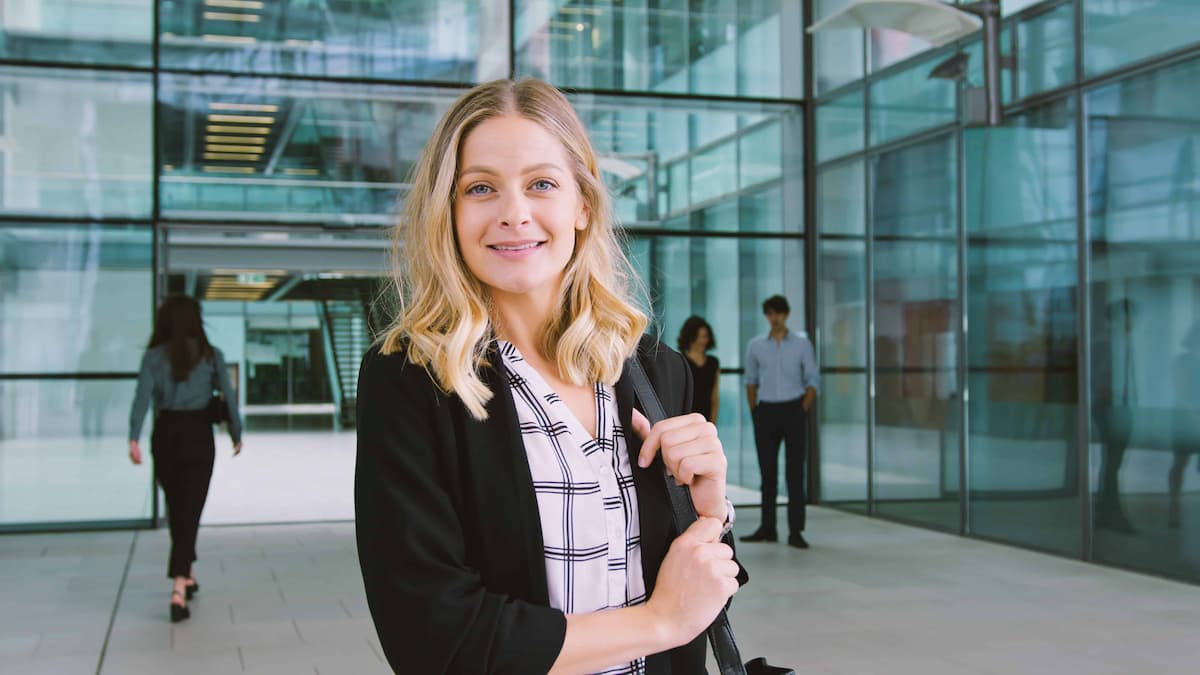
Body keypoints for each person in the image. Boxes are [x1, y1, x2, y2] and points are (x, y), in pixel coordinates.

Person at [354, 79, 744, 674]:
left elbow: (707, 588)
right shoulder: (413, 380)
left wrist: (710, 511)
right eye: (480, 188)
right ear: (449, 211)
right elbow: (434, 639)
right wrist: (657, 622)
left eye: (542, 184)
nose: (514, 214)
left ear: (582, 205)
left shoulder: (652, 369)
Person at [128, 295, 242, 623]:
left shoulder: (153, 358)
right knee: (190, 509)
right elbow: (229, 399)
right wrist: (236, 433)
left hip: (164, 436)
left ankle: (187, 572)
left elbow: (141, 400)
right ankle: (179, 588)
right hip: (197, 436)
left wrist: (133, 437)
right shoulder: (210, 356)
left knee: (178, 507)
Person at [740, 294, 818, 549]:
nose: (775, 318)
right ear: (767, 316)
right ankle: (768, 527)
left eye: (779, 313)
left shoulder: (802, 345)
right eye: (770, 313)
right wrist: (755, 412)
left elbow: (813, 381)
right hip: (766, 412)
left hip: (794, 410)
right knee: (767, 473)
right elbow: (750, 381)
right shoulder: (756, 345)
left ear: (786, 315)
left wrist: (802, 409)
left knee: (795, 473)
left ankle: (796, 530)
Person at [677, 315, 719, 423]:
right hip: (685, 417)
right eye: (699, 336)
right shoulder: (680, 361)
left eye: (705, 336)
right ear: (690, 338)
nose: (703, 340)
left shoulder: (713, 363)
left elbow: (714, 398)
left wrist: (713, 424)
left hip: (706, 417)